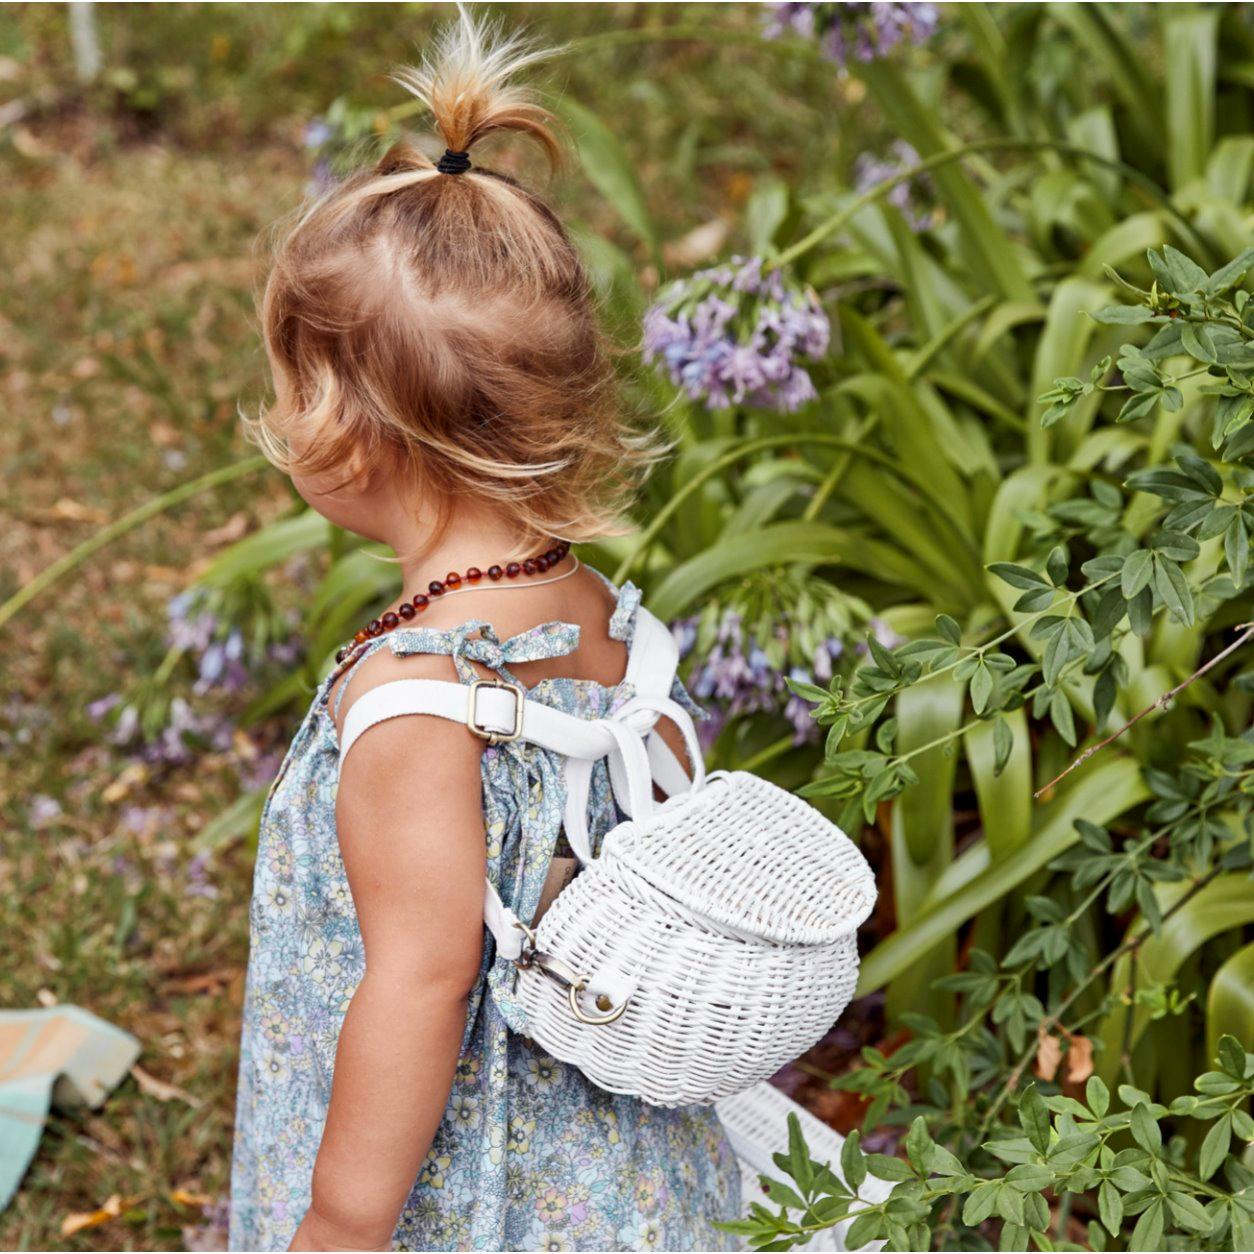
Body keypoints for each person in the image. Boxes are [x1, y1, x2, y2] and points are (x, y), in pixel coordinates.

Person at [227, 10, 741, 1251]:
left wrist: (345, 1227)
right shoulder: (611, 625)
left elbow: (423, 978)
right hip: (620, 1174)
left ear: (348, 432)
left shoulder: (415, 702)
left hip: (473, 1202)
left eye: (293, 386)